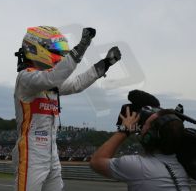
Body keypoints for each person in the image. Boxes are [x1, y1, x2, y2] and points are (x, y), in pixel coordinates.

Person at [12, 26, 121, 191]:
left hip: (51, 153)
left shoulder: (50, 83)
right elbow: (52, 78)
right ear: (37, 49)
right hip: (31, 154)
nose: (61, 53)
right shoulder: (26, 78)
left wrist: (105, 64)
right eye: (56, 49)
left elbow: (76, 84)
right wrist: (81, 47)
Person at [90, 106, 190, 191]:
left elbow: (96, 162)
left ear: (151, 136)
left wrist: (124, 130)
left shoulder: (139, 166)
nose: (141, 129)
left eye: (146, 124)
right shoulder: (183, 168)